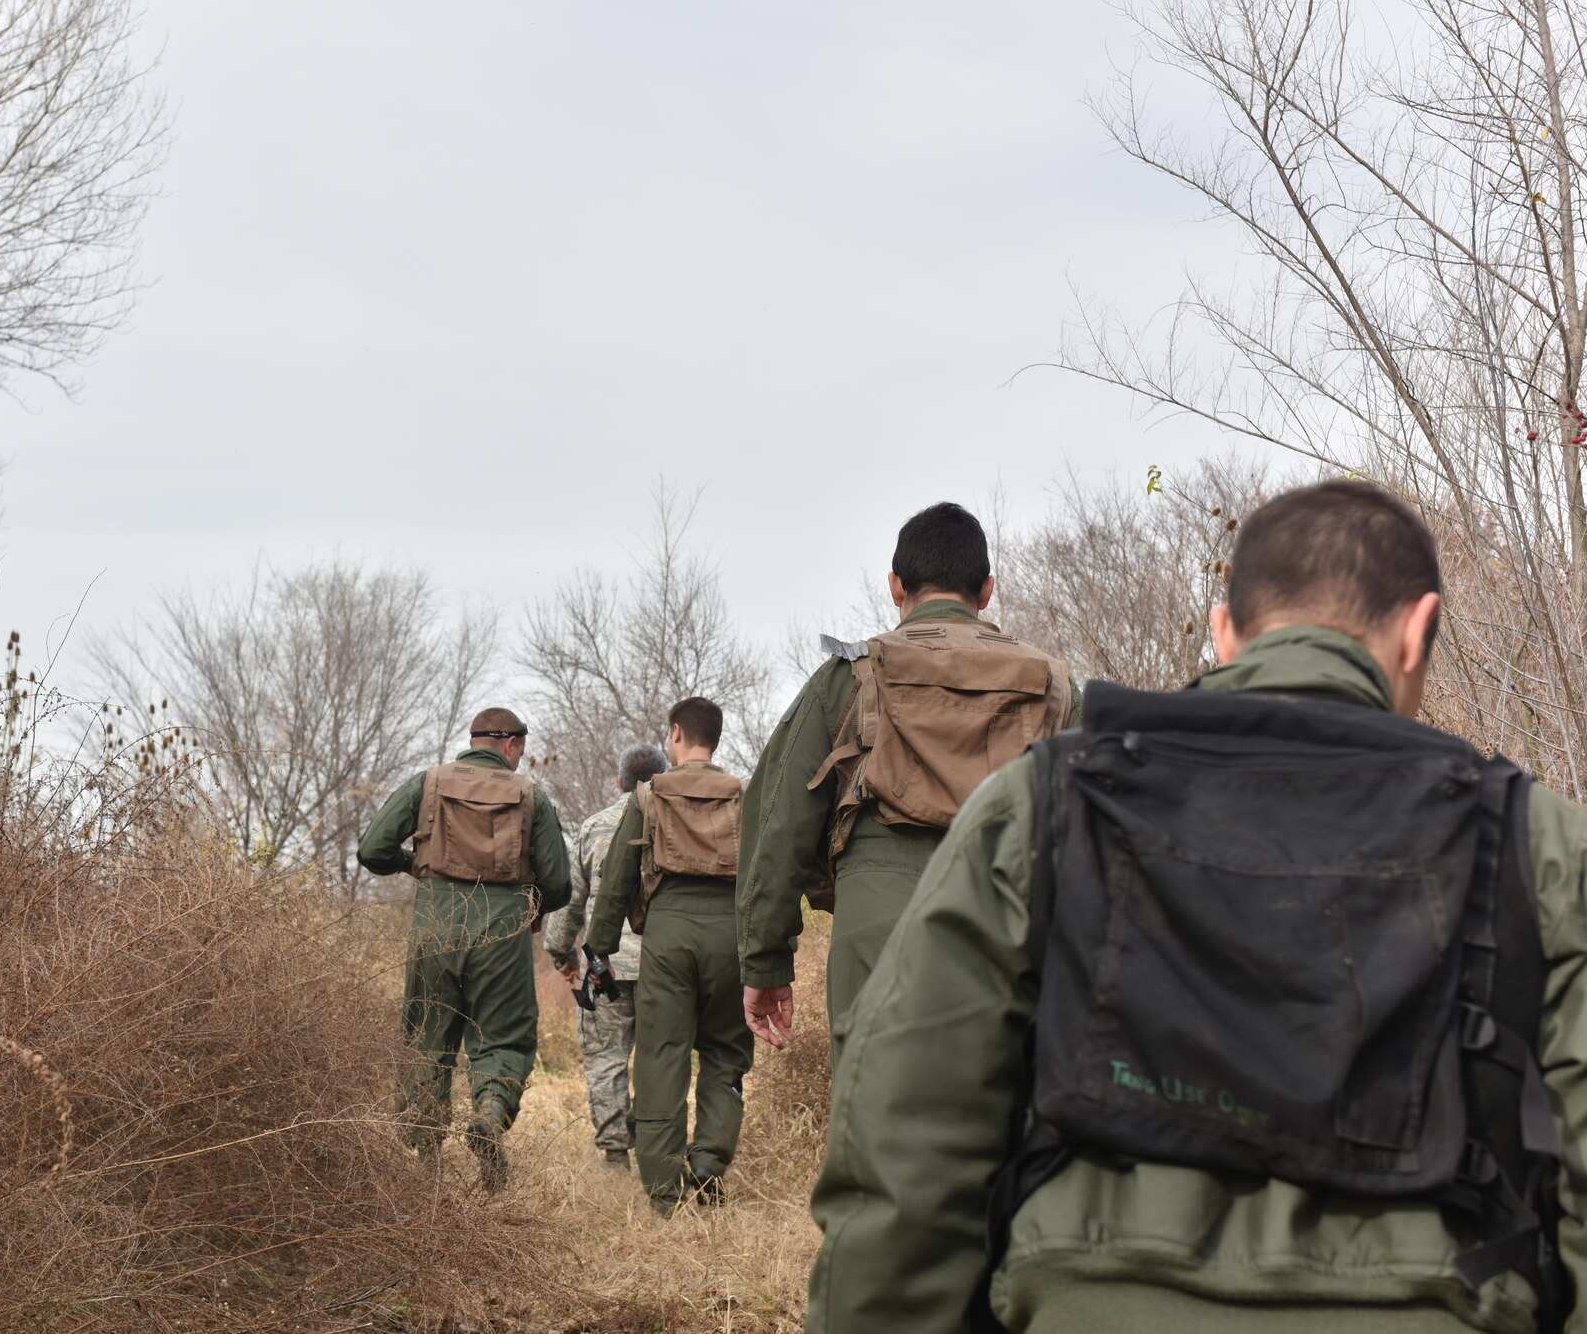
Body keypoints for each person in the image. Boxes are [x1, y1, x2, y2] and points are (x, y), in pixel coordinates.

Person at [807, 480, 1587, 1333]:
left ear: (1224, 632)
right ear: (1418, 632)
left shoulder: (1042, 808)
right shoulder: (1536, 844)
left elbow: (906, 1153)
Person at [737, 502, 1075, 1064]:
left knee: (875, 1127)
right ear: (986, 590)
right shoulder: (1055, 687)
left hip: (877, 923)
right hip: (1010, 922)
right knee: (1005, 1125)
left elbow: (777, 820)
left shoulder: (848, 677)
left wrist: (766, 960)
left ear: (896, 586)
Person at [357, 707, 570, 1191]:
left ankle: (425, 1162)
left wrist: (415, 865)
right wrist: (528, 903)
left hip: (436, 925)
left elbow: (372, 850)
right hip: (502, 932)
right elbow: (558, 884)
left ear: (474, 740)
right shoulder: (532, 797)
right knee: (502, 1037)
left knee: (426, 1037)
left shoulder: (427, 783)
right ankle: (490, 1116)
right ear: (513, 746)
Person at [585, 697, 754, 1216]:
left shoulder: (648, 794)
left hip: (667, 934)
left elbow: (615, 882)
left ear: (676, 733)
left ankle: (664, 1189)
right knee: (726, 1052)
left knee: (662, 1055)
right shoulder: (746, 793)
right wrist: (769, 952)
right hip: (732, 935)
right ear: (717, 738)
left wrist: (599, 952)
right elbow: (769, 876)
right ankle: (707, 1163)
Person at [543, 743, 670, 1169]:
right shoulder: (676, 824)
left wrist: (562, 953)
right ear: (662, 779)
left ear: (620, 781)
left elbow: (569, 900)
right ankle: (659, 1147)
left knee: (606, 1058)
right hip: (666, 967)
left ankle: (615, 1154)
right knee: (662, 1059)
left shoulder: (594, 828)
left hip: (605, 968)